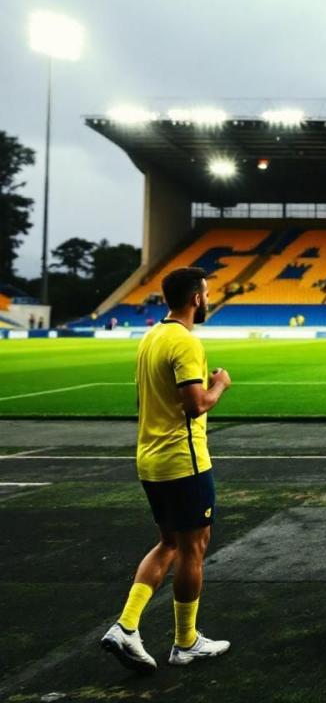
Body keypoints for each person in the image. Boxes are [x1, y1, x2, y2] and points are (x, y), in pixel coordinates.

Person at [100, 267, 232, 673]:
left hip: (150, 458)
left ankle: (127, 626)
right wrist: (221, 384)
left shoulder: (152, 337)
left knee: (169, 543)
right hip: (182, 460)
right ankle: (185, 641)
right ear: (196, 298)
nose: (209, 300)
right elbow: (194, 404)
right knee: (194, 546)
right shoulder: (185, 341)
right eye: (207, 294)